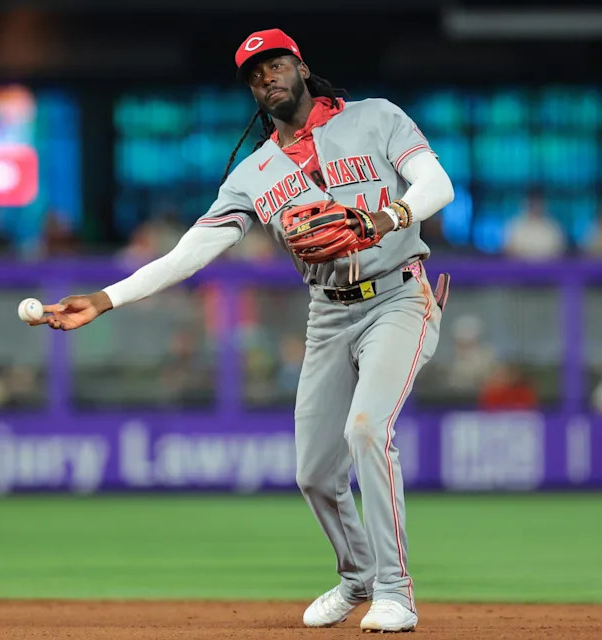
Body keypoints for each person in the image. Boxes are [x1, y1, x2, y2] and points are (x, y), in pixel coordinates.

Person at [28, 29, 454, 632]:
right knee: (314, 472)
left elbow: (438, 184)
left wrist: (385, 218)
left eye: (275, 64)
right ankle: (357, 575)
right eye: (254, 74)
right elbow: (188, 253)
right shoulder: (254, 173)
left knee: (366, 429)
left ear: (300, 66)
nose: (266, 77)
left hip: (398, 296)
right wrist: (105, 298)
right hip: (328, 313)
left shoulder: (375, 117)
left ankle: (394, 592)